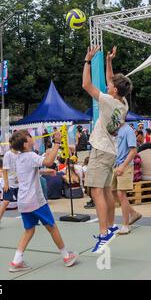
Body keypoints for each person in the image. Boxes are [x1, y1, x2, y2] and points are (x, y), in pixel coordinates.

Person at [82, 45, 132, 253]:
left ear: (115, 90)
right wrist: (109, 62)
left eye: (111, 85)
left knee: (96, 191)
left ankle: (104, 233)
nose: (108, 85)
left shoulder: (107, 101)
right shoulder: (123, 103)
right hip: (110, 151)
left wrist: (87, 60)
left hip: (101, 149)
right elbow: (111, 80)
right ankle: (110, 226)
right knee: (105, 190)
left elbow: (86, 84)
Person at [8, 130, 78, 272]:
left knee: (29, 230)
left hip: (23, 201)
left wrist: (45, 171)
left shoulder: (19, 157)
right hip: (35, 200)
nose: (32, 137)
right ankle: (66, 256)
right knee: (52, 227)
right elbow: (49, 161)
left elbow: (28, 173)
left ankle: (16, 261)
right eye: (29, 136)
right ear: (26, 143)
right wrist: (57, 143)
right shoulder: (31, 155)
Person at [111, 122, 142, 235]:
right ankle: (133, 213)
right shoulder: (116, 129)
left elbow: (133, 151)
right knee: (112, 191)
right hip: (115, 165)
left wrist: (123, 166)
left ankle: (125, 225)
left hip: (125, 165)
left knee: (120, 194)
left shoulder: (128, 130)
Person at [0, 137, 19, 230]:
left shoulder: (20, 154)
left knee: (25, 201)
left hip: (19, 183)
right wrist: (6, 184)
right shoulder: (8, 154)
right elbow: (5, 170)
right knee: (5, 202)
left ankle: (32, 220)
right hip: (9, 183)